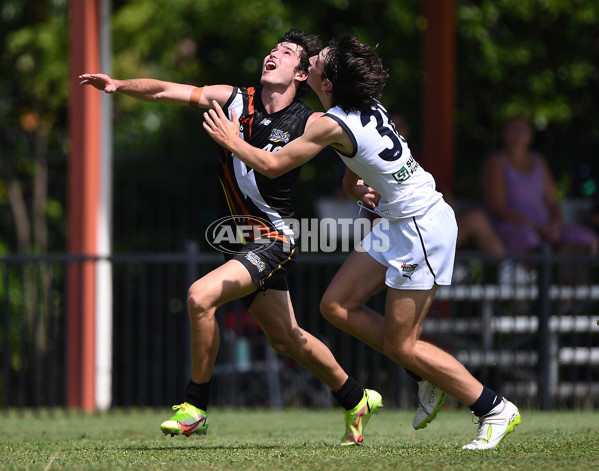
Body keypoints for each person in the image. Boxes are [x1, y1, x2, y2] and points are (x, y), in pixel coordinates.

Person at [80, 29, 417, 446]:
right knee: (286, 338)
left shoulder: (311, 122)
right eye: (273, 48)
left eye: (288, 52)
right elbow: (166, 90)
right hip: (242, 240)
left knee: (199, 297)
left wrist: (369, 185)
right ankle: (355, 397)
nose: (274, 53)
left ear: (301, 73)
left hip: (276, 238)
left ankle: (195, 408)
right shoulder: (235, 98)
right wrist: (118, 85)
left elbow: (350, 151)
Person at [203, 35, 521, 450]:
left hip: (421, 227)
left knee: (401, 344)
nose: (313, 57)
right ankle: (424, 372)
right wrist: (354, 187)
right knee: (334, 306)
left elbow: (273, 164)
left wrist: (230, 140)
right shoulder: (351, 110)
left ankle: (493, 407)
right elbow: (358, 160)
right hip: (397, 220)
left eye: (321, 59)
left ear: (327, 80)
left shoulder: (333, 122)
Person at [483, 115, 598, 282]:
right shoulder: (496, 162)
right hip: (515, 227)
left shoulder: (538, 161)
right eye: (513, 130)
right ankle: (542, 293)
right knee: (531, 241)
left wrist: (556, 223)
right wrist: (533, 225)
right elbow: (497, 206)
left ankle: (570, 301)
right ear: (504, 134)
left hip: (545, 228)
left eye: (522, 130)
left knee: (585, 239)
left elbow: (552, 201)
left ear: (530, 136)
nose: (518, 135)